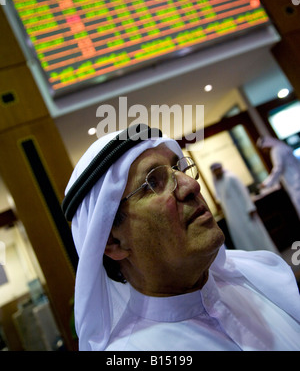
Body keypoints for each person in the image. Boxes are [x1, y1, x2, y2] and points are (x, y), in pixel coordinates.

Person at [63, 125, 300, 351]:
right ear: (113, 243)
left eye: (179, 169)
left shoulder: (259, 275)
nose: (190, 185)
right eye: (153, 182)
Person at [210, 163, 278, 253]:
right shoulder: (217, 184)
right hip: (233, 218)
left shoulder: (231, 177)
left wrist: (250, 207)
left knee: (256, 236)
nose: (217, 172)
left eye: (218, 169)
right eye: (215, 170)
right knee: (244, 240)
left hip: (245, 213)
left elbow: (244, 192)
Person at [257, 136, 300, 219]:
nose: (265, 151)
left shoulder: (276, 151)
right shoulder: (282, 146)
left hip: (295, 184)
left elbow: (278, 168)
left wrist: (266, 183)